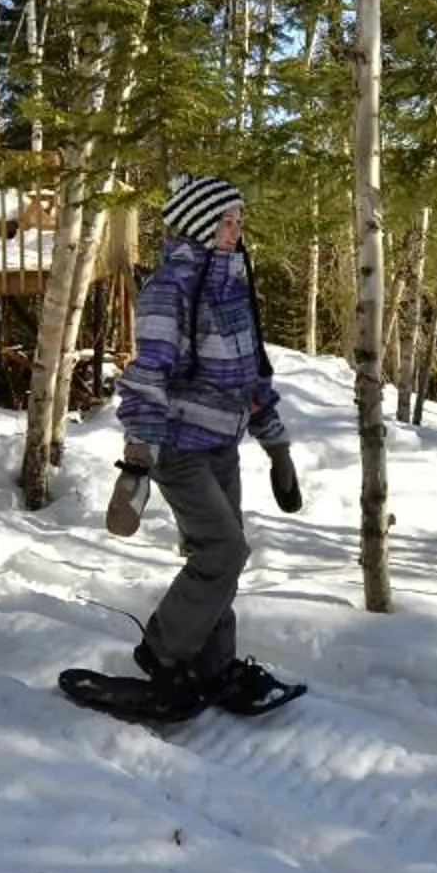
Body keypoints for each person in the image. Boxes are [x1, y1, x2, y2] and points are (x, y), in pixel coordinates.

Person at [96, 173, 305, 718]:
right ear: (198, 225)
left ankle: (214, 665)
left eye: (239, 220)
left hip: (223, 445)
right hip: (181, 448)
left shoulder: (234, 284)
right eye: (226, 221)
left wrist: (276, 445)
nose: (236, 230)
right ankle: (163, 654)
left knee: (221, 558)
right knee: (224, 550)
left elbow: (250, 375)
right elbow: (148, 376)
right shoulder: (170, 289)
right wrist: (138, 460)